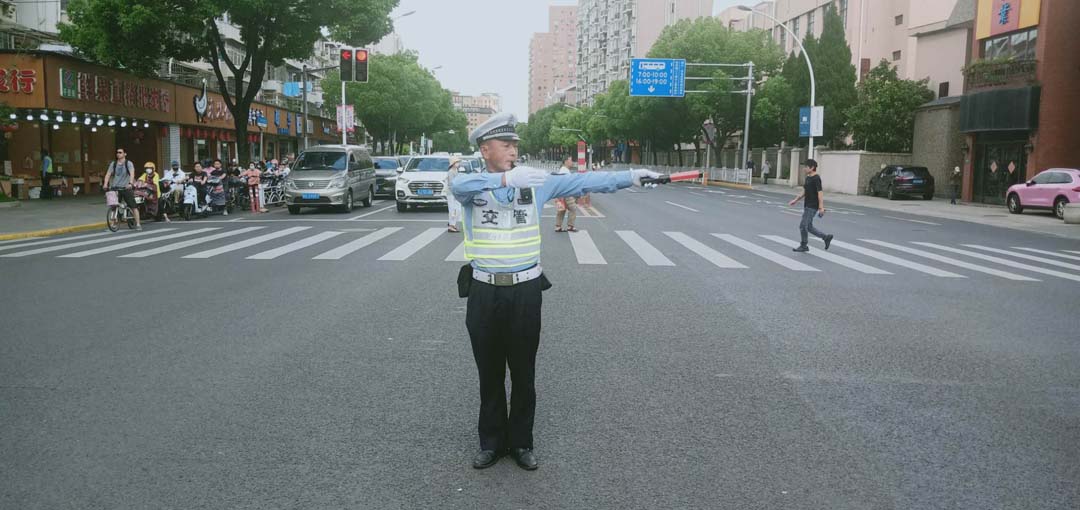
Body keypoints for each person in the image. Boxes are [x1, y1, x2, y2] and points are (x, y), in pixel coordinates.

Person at [451, 113, 660, 471]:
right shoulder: (472, 184)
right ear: (485, 150)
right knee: (489, 373)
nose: (514, 151)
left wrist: (631, 176)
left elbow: (585, 180)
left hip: (525, 291)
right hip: (484, 291)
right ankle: (491, 443)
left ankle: (521, 442)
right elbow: (459, 187)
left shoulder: (537, 183)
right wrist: (503, 179)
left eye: (515, 145)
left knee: (524, 372)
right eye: (506, 145)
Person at [788, 159, 833, 252]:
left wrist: (821, 207)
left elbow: (820, 193)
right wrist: (795, 200)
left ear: (812, 167)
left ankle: (804, 245)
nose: (804, 168)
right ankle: (826, 237)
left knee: (802, 225)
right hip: (807, 205)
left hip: (812, 206)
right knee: (808, 227)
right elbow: (804, 191)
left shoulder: (816, 178)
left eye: (806, 167)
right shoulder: (808, 177)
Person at [103, 148, 141, 230]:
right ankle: (113, 224)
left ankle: (138, 224)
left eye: (120, 152)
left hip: (126, 187)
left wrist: (130, 183)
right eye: (117, 152)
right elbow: (108, 174)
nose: (118, 154)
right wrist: (105, 184)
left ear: (125, 154)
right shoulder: (113, 164)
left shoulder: (128, 163)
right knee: (113, 206)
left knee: (133, 206)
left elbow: (132, 173)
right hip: (116, 187)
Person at [552, 155, 579, 233]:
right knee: (573, 208)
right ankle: (570, 226)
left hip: (562, 193)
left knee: (562, 209)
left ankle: (558, 226)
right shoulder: (564, 171)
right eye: (570, 160)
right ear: (566, 161)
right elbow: (565, 183)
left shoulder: (564, 170)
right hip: (566, 193)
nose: (572, 162)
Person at [446, 157, 463, 233]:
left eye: (458, 162)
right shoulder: (450, 172)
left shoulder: (456, 170)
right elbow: (452, 184)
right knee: (452, 209)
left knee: (457, 209)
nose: (458, 163)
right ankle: (451, 226)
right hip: (451, 193)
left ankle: (452, 223)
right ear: (453, 163)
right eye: (456, 162)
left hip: (456, 192)